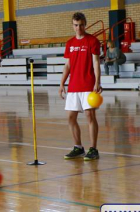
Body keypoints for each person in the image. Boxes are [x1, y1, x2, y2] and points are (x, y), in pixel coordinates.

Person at [58, 12, 102, 161]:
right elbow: (68, 65)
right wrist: (62, 82)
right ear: (73, 25)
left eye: (81, 25)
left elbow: (96, 62)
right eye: (76, 25)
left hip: (88, 84)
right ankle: (78, 147)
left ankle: (93, 149)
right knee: (70, 117)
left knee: (90, 115)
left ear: (85, 24)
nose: (79, 28)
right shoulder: (70, 43)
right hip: (74, 85)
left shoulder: (93, 41)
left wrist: (97, 81)